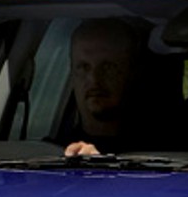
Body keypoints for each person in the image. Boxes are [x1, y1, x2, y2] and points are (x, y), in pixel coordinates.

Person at [64, 18, 149, 156]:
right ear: (72, 74)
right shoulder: (49, 154)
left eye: (108, 67)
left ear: (133, 72)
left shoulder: (169, 153)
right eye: (84, 67)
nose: (94, 79)